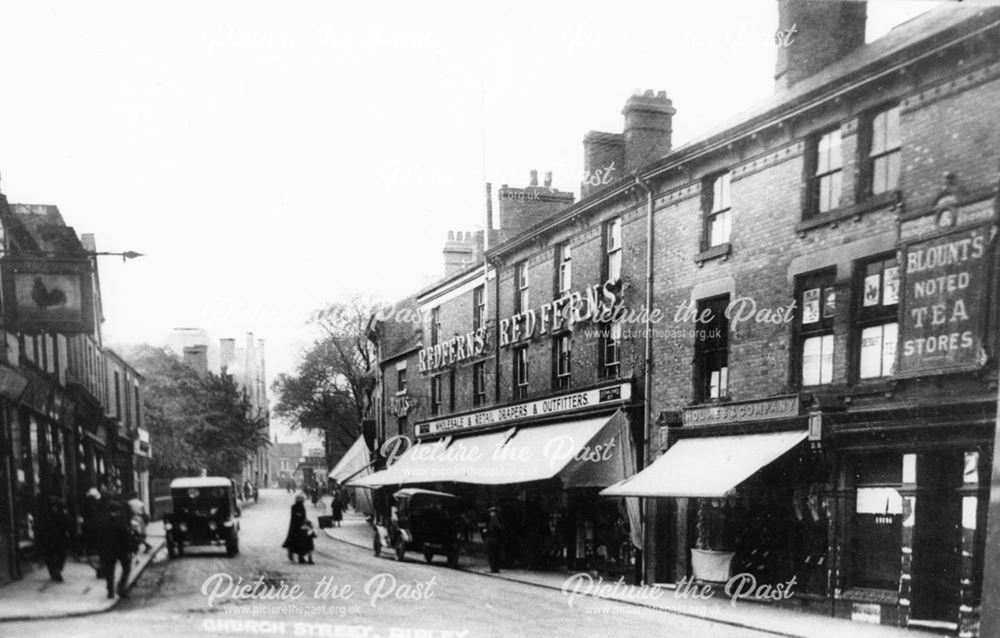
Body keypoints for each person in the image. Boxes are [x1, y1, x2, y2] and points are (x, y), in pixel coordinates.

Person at [96, 497, 136, 599]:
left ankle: (110, 591)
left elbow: (98, 537)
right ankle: (121, 588)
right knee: (126, 568)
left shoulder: (102, 522)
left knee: (110, 570)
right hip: (120, 550)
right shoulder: (120, 522)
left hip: (108, 550)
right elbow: (126, 536)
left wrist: (100, 551)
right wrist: (131, 549)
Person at [39, 498, 71, 582]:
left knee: (60, 556)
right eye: (53, 506)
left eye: (55, 506)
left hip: (59, 540)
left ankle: (56, 571)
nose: (54, 508)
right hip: (52, 540)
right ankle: (54, 572)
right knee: (52, 556)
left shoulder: (61, 515)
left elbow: (67, 526)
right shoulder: (49, 516)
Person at [282, 494, 307, 562]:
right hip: (294, 526)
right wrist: (300, 516)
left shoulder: (302, 507)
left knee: (301, 542)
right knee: (294, 541)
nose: (302, 502)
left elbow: (304, 516)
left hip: (301, 526)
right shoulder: (294, 507)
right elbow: (295, 516)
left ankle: (301, 557)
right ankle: (291, 554)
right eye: (301, 501)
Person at [483, 506, 504, 574]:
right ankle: (495, 569)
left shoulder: (494, 519)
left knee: (492, 554)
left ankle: (494, 569)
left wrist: (486, 531)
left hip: (493, 539)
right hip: (496, 539)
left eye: (491, 512)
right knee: (495, 554)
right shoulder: (497, 518)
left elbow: (492, 529)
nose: (490, 513)